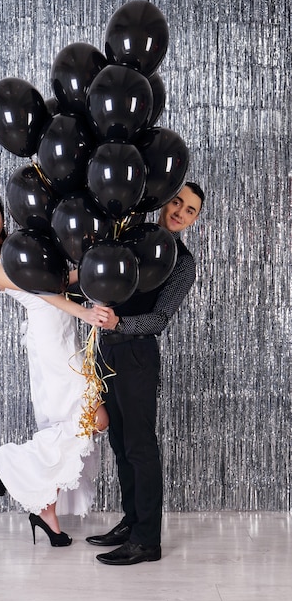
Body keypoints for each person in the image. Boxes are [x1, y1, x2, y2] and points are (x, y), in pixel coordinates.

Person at [0, 188, 109, 547]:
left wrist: (90, 267)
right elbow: (44, 290)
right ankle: (12, 467)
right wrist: (85, 311)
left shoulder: (19, 246)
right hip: (49, 341)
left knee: (70, 424)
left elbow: (59, 279)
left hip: (64, 334)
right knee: (94, 418)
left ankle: (47, 514)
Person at [85, 182, 204, 565]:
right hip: (108, 349)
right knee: (120, 443)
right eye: (177, 201)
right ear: (164, 199)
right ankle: (132, 521)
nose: (180, 212)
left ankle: (147, 541)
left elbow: (160, 319)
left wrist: (119, 323)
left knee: (139, 447)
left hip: (137, 354)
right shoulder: (131, 238)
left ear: (195, 220)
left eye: (190, 210)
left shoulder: (182, 262)